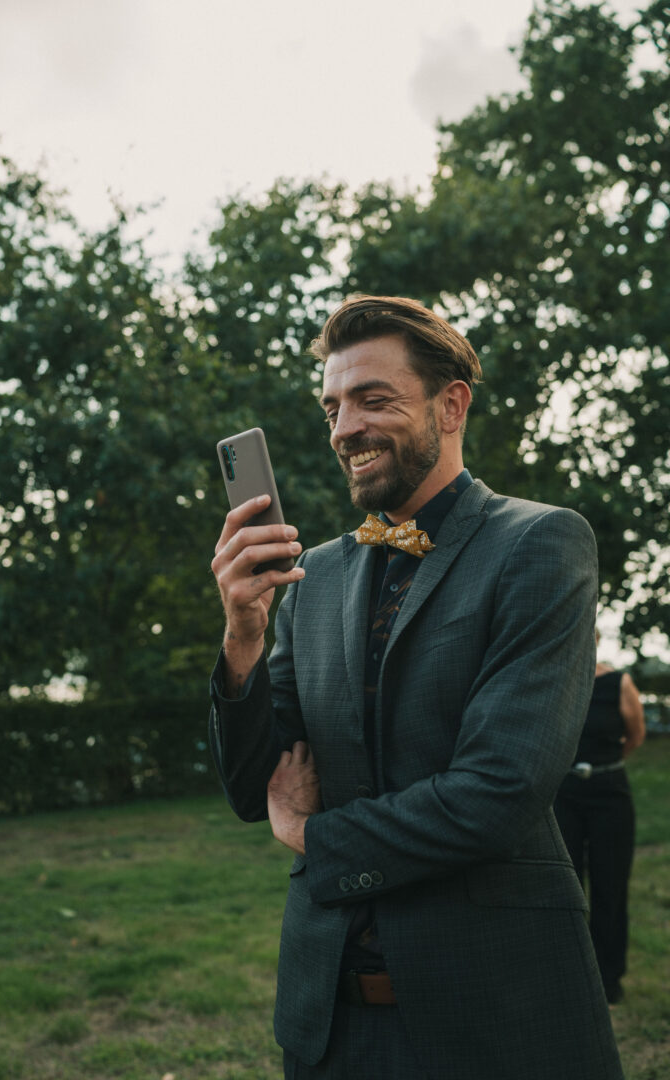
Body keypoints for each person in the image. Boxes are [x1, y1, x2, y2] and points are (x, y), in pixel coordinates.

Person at [209, 295, 623, 1079]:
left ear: (451, 405)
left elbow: (499, 790)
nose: (345, 428)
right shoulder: (313, 576)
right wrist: (243, 638)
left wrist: (315, 836)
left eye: (373, 399)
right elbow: (251, 785)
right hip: (328, 1025)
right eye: (333, 407)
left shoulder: (540, 543)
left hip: (497, 1019)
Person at [555, 635, 646, 1005]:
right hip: (564, 794)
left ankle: (609, 979)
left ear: (594, 637)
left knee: (611, 884)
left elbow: (635, 736)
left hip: (610, 793)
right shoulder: (556, 679)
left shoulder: (618, 683)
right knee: (566, 885)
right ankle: (568, 975)